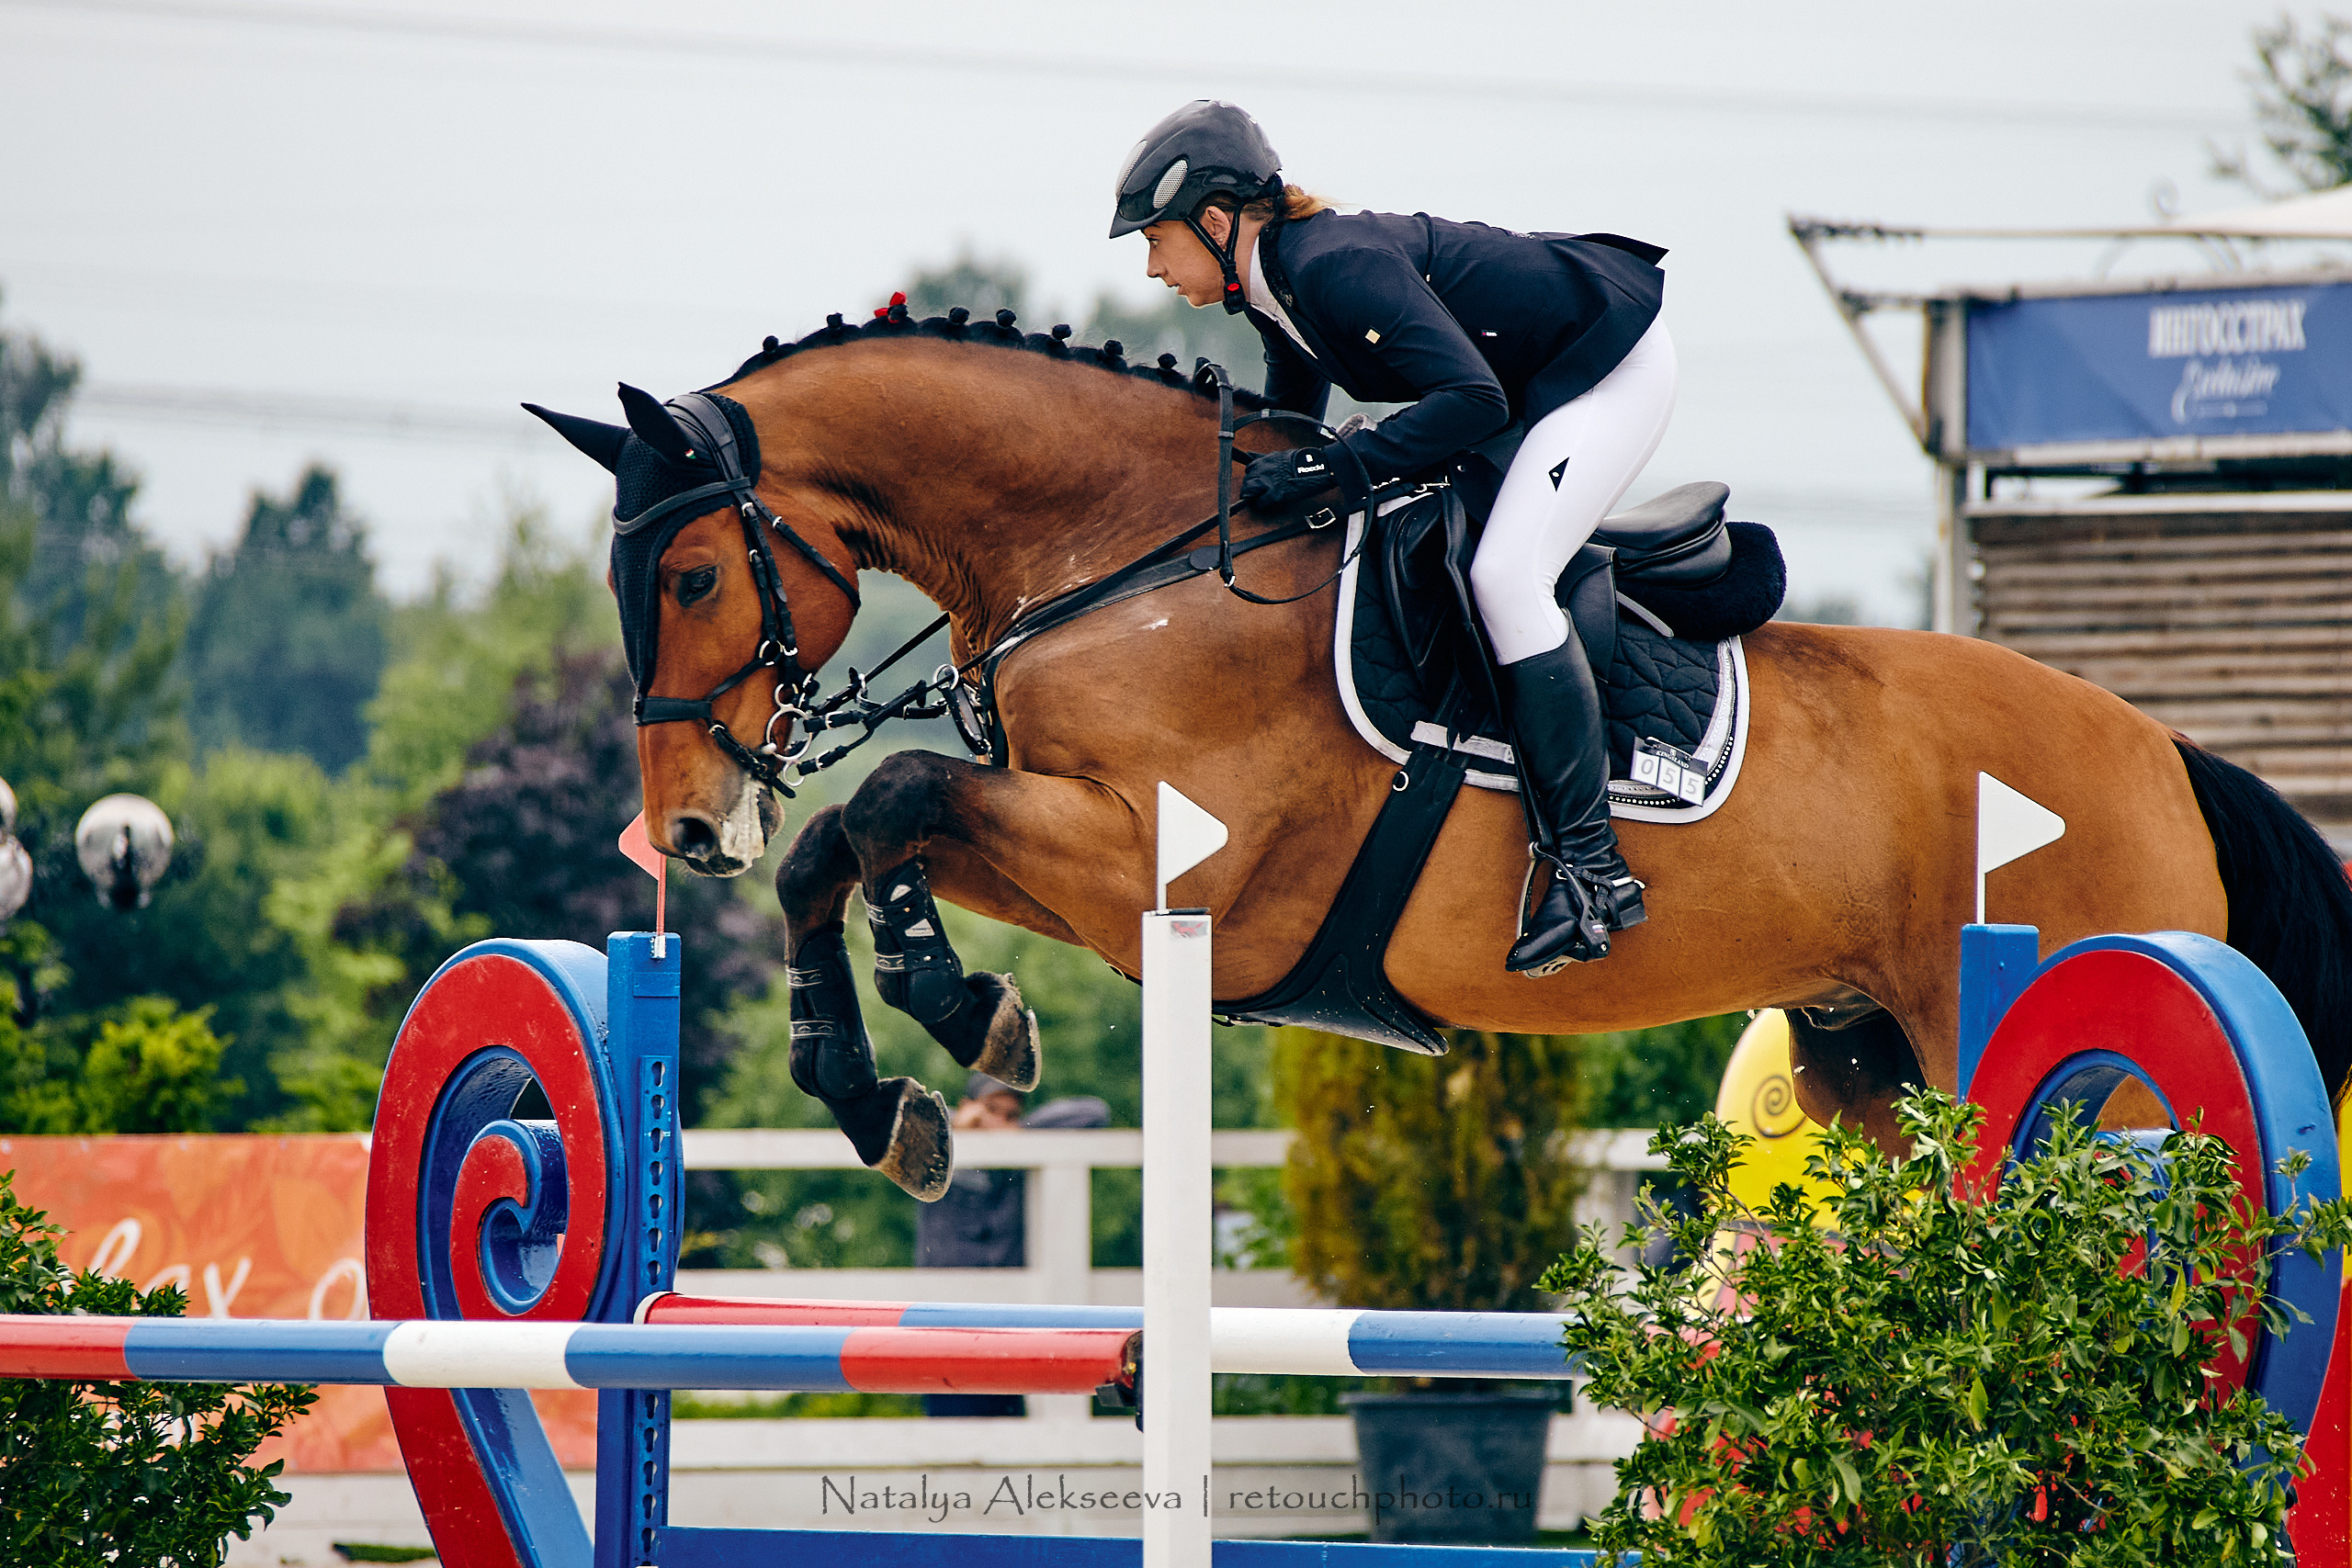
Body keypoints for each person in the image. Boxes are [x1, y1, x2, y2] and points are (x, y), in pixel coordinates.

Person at [1109, 101, 1676, 975]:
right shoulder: (1275, 289)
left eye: (1156, 238)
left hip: (1606, 370)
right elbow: (1293, 429)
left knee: (1506, 577)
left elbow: (1473, 402)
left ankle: (1593, 870)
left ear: (1216, 223)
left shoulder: (1336, 267)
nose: (1151, 267)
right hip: (1527, 387)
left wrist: (1337, 469)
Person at [915, 1073, 1110, 1416]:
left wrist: (1022, 1132)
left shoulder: (1019, 1163)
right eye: (991, 1110)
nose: (999, 1123)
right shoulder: (935, 1153)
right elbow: (897, 1117)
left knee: (1010, 1429)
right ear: (968, 1108)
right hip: (947, 1327)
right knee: (950, 1429)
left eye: (1011, 1115)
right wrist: (953, 1124)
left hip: (1007, 1324)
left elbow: (1094, 1112)